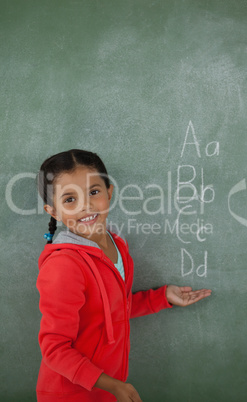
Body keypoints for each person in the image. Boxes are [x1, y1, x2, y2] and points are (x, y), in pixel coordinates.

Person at [36, 149, 212, 402]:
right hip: (71, 393)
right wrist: (114, 385)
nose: (85, 205)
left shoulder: (116, 243)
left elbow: (110, 311)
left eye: (93, 192)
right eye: (69, 200)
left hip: (107, 386)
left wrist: (162, 297)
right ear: (53, 211)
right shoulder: (64, 266)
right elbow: (54, 349)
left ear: (109, 192)